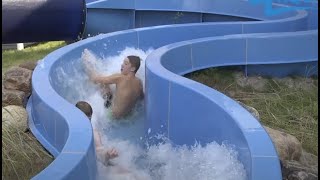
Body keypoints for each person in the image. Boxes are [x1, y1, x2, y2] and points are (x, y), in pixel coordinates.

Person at [82, 49, 144, 119]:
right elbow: (142, 98)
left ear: (133, 68)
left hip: (112, 116)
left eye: (126, 64)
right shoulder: (139, 82)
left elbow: (96, 79)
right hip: (127, 116)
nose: (122, 65)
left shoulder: (120, 77)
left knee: (103, 84)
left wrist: (89, 69)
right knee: (106, 84)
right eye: (123, 63)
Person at [75, 101, 118, 165]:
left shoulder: (94, 133)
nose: (88, 123)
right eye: (85, 120)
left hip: (100, 164)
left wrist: (107, 154)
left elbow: (99, 150)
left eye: (89, 120)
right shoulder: (72, 129)